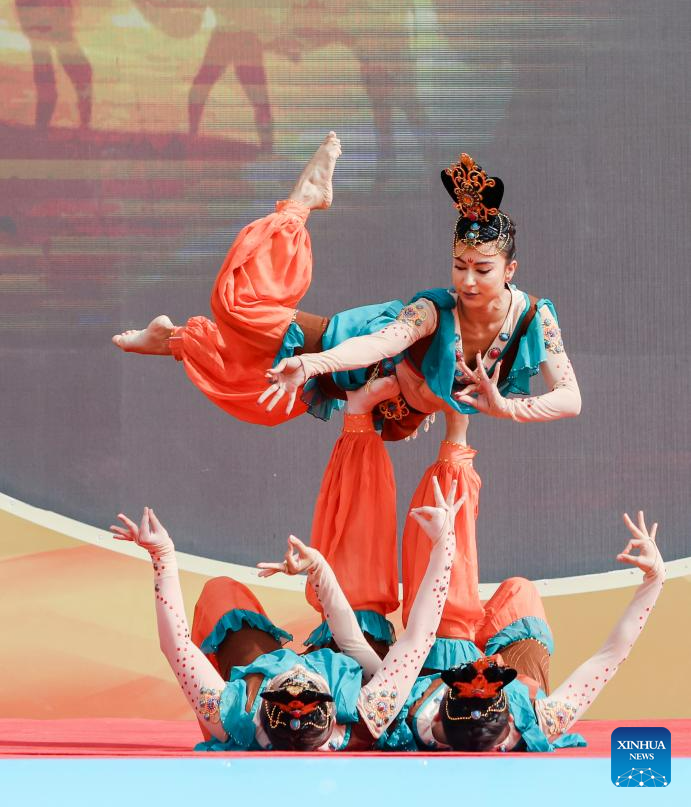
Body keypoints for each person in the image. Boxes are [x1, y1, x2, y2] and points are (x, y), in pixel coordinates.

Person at [109, 436, 464, 752]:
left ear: (266, 708)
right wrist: (444, 543)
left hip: (257, 680)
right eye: (307, 686)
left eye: (288, 687)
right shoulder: (368, 713)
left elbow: (176, 646)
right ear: (330, 711)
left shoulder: (233, 714)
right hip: (342, 676)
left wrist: (163, 557)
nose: (297, 674)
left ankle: (238, 672)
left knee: (222, 593)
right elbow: (418, 638)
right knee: (364, 647)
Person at [262, 151, 582, 443]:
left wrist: (506, 408)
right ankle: (301, 203)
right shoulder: (435, 310)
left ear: (510, 270)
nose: (468, 281)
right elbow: (380, 344)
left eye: (483, 270)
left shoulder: (534, 317)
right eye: (459, 267)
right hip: (344, 356)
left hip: (391, 405)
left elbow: (570, 398)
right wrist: (310, 363)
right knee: (247, 312)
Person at [111, 132, 407, 427]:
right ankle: (303, 200)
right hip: (328, 346)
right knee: (236, 305)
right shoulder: (422, 331)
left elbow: (374, 398)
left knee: (251, 383)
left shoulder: (423, 385)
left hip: (329, 375)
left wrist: (405, 410)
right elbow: (386, 354)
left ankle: (171, 340)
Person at [397, 509, 665, 752]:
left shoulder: (401, 712)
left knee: (443, 630)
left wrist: (443, 548)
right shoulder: (539, 718)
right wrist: (655, 579)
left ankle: (461, 634)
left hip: (442, 659)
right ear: (511, 719)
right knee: (521, 591)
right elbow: (608, 658)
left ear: (435, 715)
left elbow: (417, 636)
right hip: (519, 675)